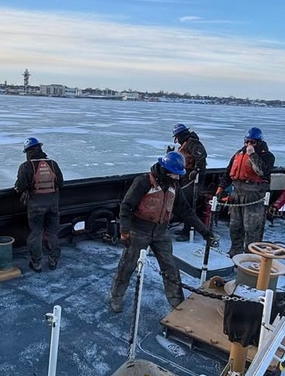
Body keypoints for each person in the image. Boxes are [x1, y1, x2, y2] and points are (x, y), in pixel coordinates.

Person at [109, 152, 216, 313]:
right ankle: (115, 297)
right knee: (127, 266)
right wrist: (124, 231)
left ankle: (176, 301)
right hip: (139, 230)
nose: (178, 178)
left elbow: (186, 211)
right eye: (175, 174)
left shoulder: (173, 186)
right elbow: (126, 206)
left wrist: (205, 232)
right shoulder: (143, 182)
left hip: (160, 231)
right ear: (166, 171)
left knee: (170, 267)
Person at [217, 127, 275, 257]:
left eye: (252, 142)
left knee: (252, 228)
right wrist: (220, 188)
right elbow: (227, 173)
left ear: (259, 143)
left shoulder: (267, 156)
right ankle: (235, 251)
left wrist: (252, 155)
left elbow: (262, 171)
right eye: (247, 141)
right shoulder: (238, 154)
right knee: (235, 226)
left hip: (255, 195)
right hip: (237, 193)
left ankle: (251, 255)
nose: (248, 144)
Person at [14, 137, 64, 272]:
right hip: (53, 204)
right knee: (52, 233)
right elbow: (61, 183)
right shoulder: (53, 164)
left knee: (36, 233)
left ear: (28, 152)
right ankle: (53, 260)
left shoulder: (26, 166)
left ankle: (36, 263)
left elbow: (19, 186)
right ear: (40, 149)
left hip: (36, 206)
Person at [171, 123, 208, 240]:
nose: (176, 140)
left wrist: (196, 170)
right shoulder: (185, 144)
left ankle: (188, 232)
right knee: (184, 204)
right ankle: (185, 229)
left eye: (177, 137)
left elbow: (201, 155)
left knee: (189, 205)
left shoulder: (192, 143)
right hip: (185, 177)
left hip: (191, 180)